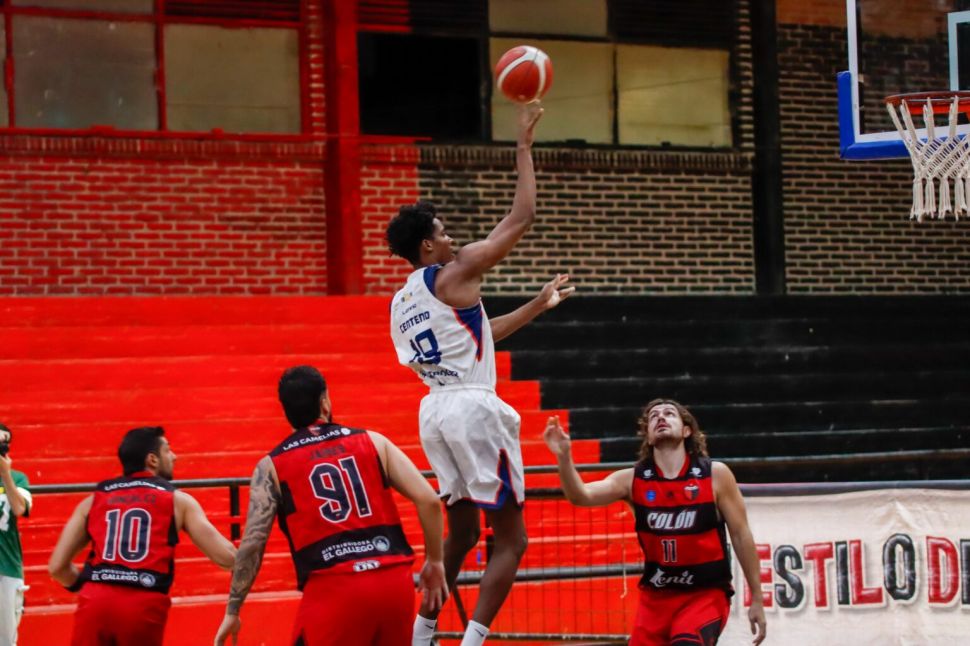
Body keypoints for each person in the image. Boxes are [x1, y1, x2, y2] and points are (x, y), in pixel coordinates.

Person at [386, 100, 574, 646]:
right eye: (444, 234)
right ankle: (472, 642)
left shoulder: (402, 301)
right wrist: (523, 146)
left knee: (464, 531)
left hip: (435, 411)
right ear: (427, 245)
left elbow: (478, 337)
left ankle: (422, 635)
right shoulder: (454, 270)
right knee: (512, 541)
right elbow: (521, 219)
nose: (452, 240)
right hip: (472, 407)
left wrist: (536, 305)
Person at [214, 365, 448, 646]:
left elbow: (253, 543)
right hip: (393, 582)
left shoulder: (271, 467)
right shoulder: (374, 441)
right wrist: (435, 561)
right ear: (324, 401)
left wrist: (233, 609)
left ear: (286, 411)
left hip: (333, 586)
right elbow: (429, 500)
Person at [543, 399, 767, 646]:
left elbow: (741, 535)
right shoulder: (632, 480)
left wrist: (757, 598)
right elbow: (581, 496)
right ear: (648, 437)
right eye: (653, 417)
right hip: (655, 600)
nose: (661, 417)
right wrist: (564, 457)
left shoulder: (715, 475)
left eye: (669, 413)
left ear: (687, 430)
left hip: (704, 594)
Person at [48, 426, 236, 646]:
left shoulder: (93, 500)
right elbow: (227, 558)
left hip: (95, 601)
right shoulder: (177, 501)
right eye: (168, 450)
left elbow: (57, 567)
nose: (174, 456)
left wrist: (90, 587)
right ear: (152, 459)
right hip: (142, 603)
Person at [0, 424, 31, 646]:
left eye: (4, 443)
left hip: (5, 566)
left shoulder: (17, 478)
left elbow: (20, 508)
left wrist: (5, 475)